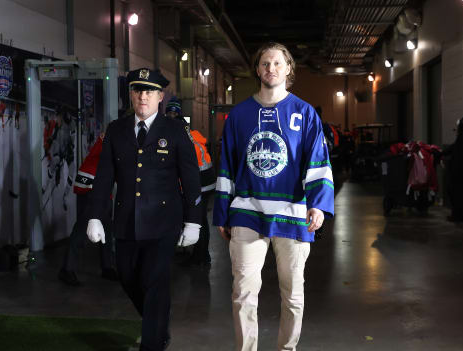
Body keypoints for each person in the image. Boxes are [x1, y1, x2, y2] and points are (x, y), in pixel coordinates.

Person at [213, 42, 335, 351]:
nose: (271, 68)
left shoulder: (304, 113)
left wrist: (318, 205)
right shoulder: (239, 115)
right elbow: (226, 165)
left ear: (288, 69)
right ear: (257, 70)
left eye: (277, 63)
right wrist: (221, 214)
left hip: (292, 214)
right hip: (246, 212)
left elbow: (318, 162)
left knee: (293, 294)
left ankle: (287, 349)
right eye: (265, 63)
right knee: (242, 292)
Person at [86, 68, 202, 350]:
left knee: (154, 280)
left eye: (150, 91)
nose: (143, 96)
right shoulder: (117, 129)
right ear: (131, 95)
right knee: (127, 277)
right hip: (126, 220)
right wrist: (95, 216)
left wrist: (193, 221)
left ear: (160, 96)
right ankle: (159, 320)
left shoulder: (175, 130)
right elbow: (104, 177)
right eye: (138, 90)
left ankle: (153, 342)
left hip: (163, 221)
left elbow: (190, 177)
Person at [58, 133, 118, 286]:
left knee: (107, 228)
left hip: (102, 186)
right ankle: (67, 269)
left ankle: (107, 266)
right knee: (83, 227)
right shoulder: (116, 132)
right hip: (90, 184)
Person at [165, 96, 216, 267]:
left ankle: (200, 256)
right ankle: (202, 255)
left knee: (198, 219)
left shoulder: (177, 133)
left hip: (200, 182)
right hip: (208, 180)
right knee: (201, 219)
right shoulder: (192, 132)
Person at [443, 116, 463, 222]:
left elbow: (454, 149)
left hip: (458, 171)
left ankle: (457, 215)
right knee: (460, 193)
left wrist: (440, 153)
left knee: (455, 193)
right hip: (462, 171)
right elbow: (453, 148)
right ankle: (459, 215)